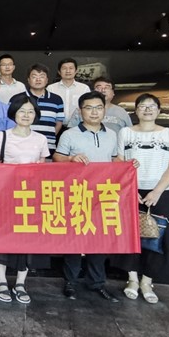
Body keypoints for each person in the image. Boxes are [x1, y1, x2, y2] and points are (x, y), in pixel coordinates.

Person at [113, 93, 169, 303]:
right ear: (136, 110)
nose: (147, 109)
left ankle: (147, 281)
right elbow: (119, 161)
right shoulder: (126, 132)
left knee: (156, 236)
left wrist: (157, 191)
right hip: (132, 189)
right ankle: (132, 279)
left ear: (159, 111)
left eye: (152, 106)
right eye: (143, 106)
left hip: (160, 191)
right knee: (130, 234)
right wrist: (129, 188)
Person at [53, 91, 120, 302]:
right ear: (80, 111)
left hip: (103, 195)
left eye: (98, 108)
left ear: (104, 109)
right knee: (75, 240)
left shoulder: (112, 134)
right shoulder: (69, 134)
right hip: (77, 194)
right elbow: (57, 158)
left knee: (99, 240)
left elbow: (115, 160)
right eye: (89, 108)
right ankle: (70, 282)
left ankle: (96, 282)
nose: (94, 112)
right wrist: (71, 159)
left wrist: (128, 166)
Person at [0, 94, 50, 304]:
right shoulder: (2, 136)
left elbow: (42, 168)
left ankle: (21, 282)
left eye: (30, 111)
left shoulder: (40, 139)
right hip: (6, 196)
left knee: (27, 239)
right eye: (22, 111)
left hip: (31, 197)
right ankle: (2, 280)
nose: (26, 115)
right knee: (3, 238)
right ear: (14, 113)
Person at [64, 77, 132, 133]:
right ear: (92, 91)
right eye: (99, 87)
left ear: (113, 93)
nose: (103, 90)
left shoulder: (121, 112)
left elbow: (129, 133)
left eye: (107, 87)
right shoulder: (81, 110)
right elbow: (71, 132)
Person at [25, 63, 64, 158]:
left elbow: (59, 123)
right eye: (34, 76)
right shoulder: (18, 98)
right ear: (28, 80)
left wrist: (47, 138)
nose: (38, 79)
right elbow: (11, 122)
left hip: (48, 148)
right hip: (23, 148)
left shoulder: (57, 99)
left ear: (47, 80)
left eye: (42, 76)